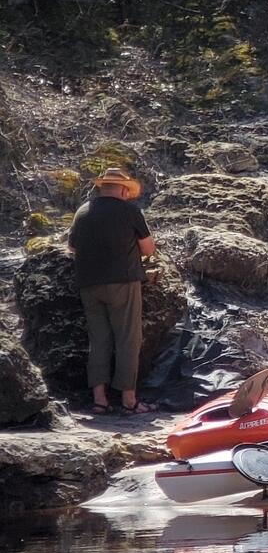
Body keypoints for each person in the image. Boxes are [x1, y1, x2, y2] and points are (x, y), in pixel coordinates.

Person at [66, 168, 157, 415]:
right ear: (124, 189)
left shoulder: (82, 212)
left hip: (89, 284)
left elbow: (72, 247)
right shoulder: (129, 211)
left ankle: (100, 400)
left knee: (98, 341)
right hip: (123, 282)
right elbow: (149, 249)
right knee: (128, 338)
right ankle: (129, 399)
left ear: (102, 187)